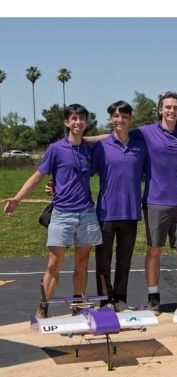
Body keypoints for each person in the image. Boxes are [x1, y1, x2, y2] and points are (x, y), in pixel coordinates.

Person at [4, 104, 102, 318]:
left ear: (86, 122)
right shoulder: (56, 149)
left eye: (82, 118)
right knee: (53, 264)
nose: (78, 122)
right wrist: (18, 198)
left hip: (86, 212)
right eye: (74, 119)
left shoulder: (88, 149)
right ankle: (43, 306)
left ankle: (78, 305)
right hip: (62, 213)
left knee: (82, 262)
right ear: (67, 122)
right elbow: (38, 176)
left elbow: (110, 137)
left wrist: (111, 133)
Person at [132, 91, 177, 313]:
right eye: (167, 107)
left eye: (176, 108)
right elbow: (116, 135)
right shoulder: (145, 132)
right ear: (160, 109)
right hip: (155, 201)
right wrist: (83, 139)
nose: (171, 111)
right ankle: (153, 297)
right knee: (154, 250)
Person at [91, 101, 147, 311]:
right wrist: (56, 185)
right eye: (116, 116)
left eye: (124, 116)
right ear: (110, 119)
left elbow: (154, 169)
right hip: (106, 212)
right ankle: (105, 301)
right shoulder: (101, 146)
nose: (120, 120)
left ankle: (120, 300)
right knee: (103, 262)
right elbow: (83, 171)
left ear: (130, 119)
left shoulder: (140, 147)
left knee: (124, 262)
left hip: (131, 212)